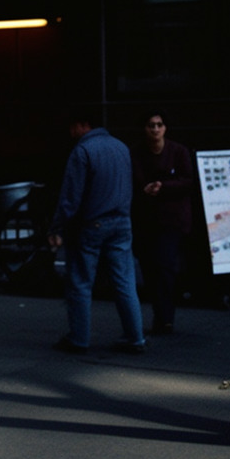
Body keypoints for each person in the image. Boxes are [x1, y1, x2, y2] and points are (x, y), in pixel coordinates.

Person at [47, 110, 146, 354]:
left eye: (73, 127)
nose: (71, 133)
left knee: (80, 282)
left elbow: (71, 197)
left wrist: (57, 226)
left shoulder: (83, 151)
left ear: (83, 125)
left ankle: (79, 338)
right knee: (125, 282)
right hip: (122, 222)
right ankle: (136, 338)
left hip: (92, 224)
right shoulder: (122, 147)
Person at [132, 112, 196, 336]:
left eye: (159, 125)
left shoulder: (178, 151)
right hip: (146, 219)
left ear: (165, 128)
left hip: (171, 219)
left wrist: (163, 187)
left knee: (165, 266)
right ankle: (160, 315)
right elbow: (135, 179)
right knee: (149, 268)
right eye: (151, 125)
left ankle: (165, 317)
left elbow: (188, 181)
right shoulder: (138, 152)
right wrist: (145, 189)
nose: (155, 129)